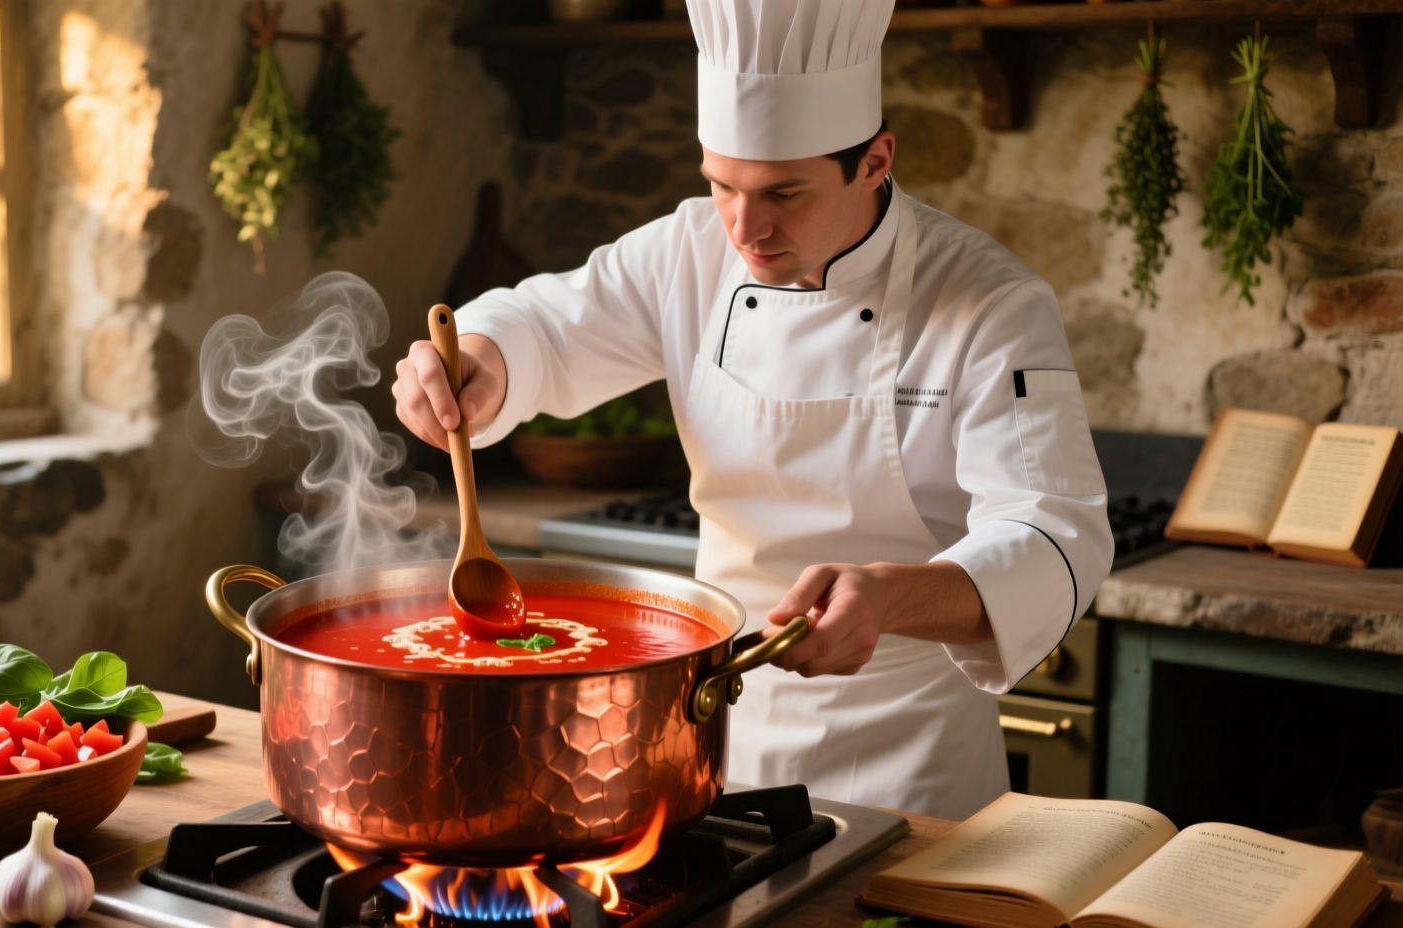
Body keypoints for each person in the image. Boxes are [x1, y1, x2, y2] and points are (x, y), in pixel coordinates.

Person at [393, 0, 1112, 820]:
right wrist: (482, 359)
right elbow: (547, 327)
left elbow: (1058, 534)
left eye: (784, 193)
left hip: (912, 772)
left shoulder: (990, 303)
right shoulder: (688, 251)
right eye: (721, 184)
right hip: (710, 743)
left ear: (876, 161)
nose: (745, 228)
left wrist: (888, 598)